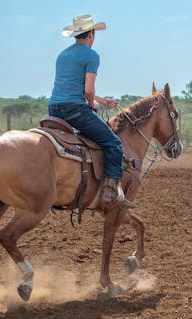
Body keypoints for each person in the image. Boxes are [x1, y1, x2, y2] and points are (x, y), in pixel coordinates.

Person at [48, 14, 134, 209]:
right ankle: (109, 191)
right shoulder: (91, 55)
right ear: (92, 34)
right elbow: (87, 90)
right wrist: (92, 103)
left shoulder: (62, 55)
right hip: (74, 110)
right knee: (113, 143)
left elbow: (72, 87)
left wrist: (101, 101)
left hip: (54, 108)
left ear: (76, 35)